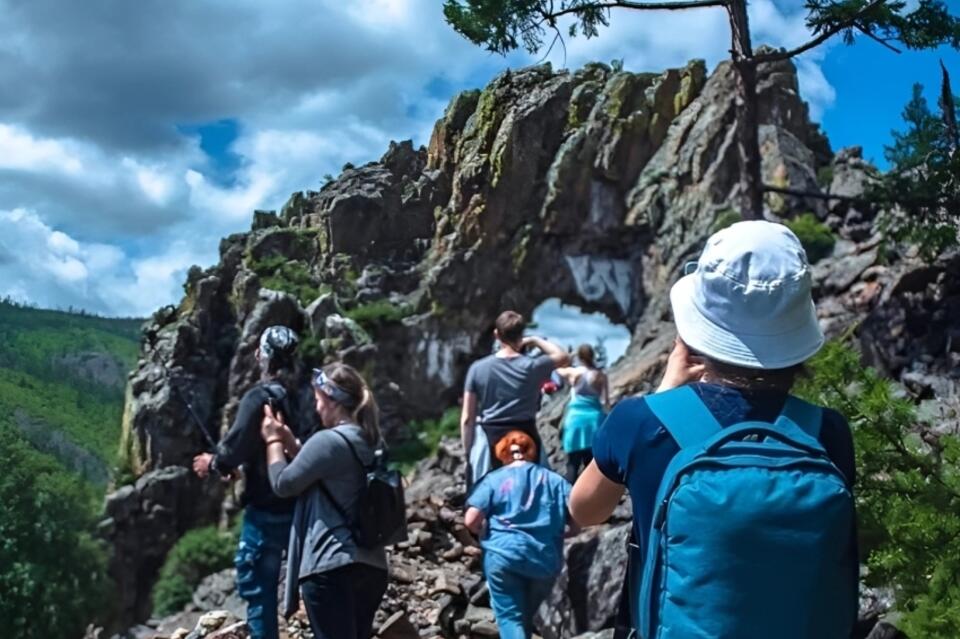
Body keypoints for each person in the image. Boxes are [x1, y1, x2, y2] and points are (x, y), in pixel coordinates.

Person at [569, 221, 858, 638]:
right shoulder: (828, 431)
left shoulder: (640, 421)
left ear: (695, 333)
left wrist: (665, 392)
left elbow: (584, 510)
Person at [261, 363, 388, 639]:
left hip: (331, 564)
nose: (317, 408)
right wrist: (290, 442)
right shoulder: (372, 441)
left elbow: (284, 484)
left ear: (332, 401)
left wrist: (272, 441)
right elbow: (323, 469)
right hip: (372, 566)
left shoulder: (327, 441)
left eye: (319, 400)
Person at [192, 326, 301, 639]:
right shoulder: (303, 396)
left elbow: (233, 446)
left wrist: (212, 462)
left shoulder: (259, 397)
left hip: (266, 510)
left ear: (262, 355)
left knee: (258, 588)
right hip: (300, 506)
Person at [465, 431, 573, 639]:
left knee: (510, 618)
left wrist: (483, 532)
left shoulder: (493, 480)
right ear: (530, 452)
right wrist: (562, 532)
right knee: (525, 617)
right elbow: (578, 515)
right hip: (544, 559)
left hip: (502, 554)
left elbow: (471, 520)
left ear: (502, 453)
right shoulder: (554, 480)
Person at [461, 310, 570, 488]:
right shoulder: (533, 366)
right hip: (526, 434)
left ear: (496, 334)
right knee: (535, 491)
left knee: (486, 495)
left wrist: (468, 454)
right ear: (521, 335)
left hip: (490, 437)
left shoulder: (477, 368)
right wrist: (535, 340)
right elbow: (564, 357)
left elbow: (467, 419)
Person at [556, 344, 609, 482]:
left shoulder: (574, 372)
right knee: (591, 464)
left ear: (579, 357)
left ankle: (568, 498)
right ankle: (592, 498)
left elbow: (558, 369)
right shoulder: (600, 375)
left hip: (575, 419)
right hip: (594, 419)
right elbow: (605, 401)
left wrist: (571, 356)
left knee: (572, 462)